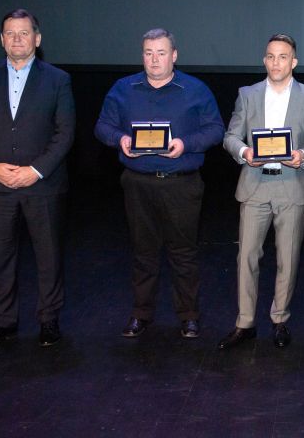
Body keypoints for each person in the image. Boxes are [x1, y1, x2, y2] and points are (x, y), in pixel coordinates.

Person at [94, 28, 224, 339]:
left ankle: (189, 316)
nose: (154, 59)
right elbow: (102, 126)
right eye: (148, 53)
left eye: (161, 53)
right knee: (143, 253)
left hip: (181, 185)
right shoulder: (122, 88)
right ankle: (141, 314)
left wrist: (185, 144)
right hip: (137, 184)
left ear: (174, 56)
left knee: (183, 253)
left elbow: (216, 129)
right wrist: (120, 138)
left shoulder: (196, 90)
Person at [0, 8, 75, 350]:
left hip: (43, 184)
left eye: (24, 33)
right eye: (10, 33)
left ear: (37, 39)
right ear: (1, 39)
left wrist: (34, 170)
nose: (17, 39)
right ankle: (3, 322)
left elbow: (65, 132)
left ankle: (49, 320)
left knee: (48, 256)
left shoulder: (58, 79)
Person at [218, 34, 304, 350]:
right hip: (254, 185)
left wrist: (303, 156)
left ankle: (280, 319)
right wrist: (244, 152)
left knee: (288, 257)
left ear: (293, 62)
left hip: (292, 186)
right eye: (270, 56)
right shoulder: (247, 94)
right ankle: (245, 323)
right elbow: (230, 137)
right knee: (246, 257)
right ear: (264, 60)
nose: (276, 62)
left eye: (283, 57)